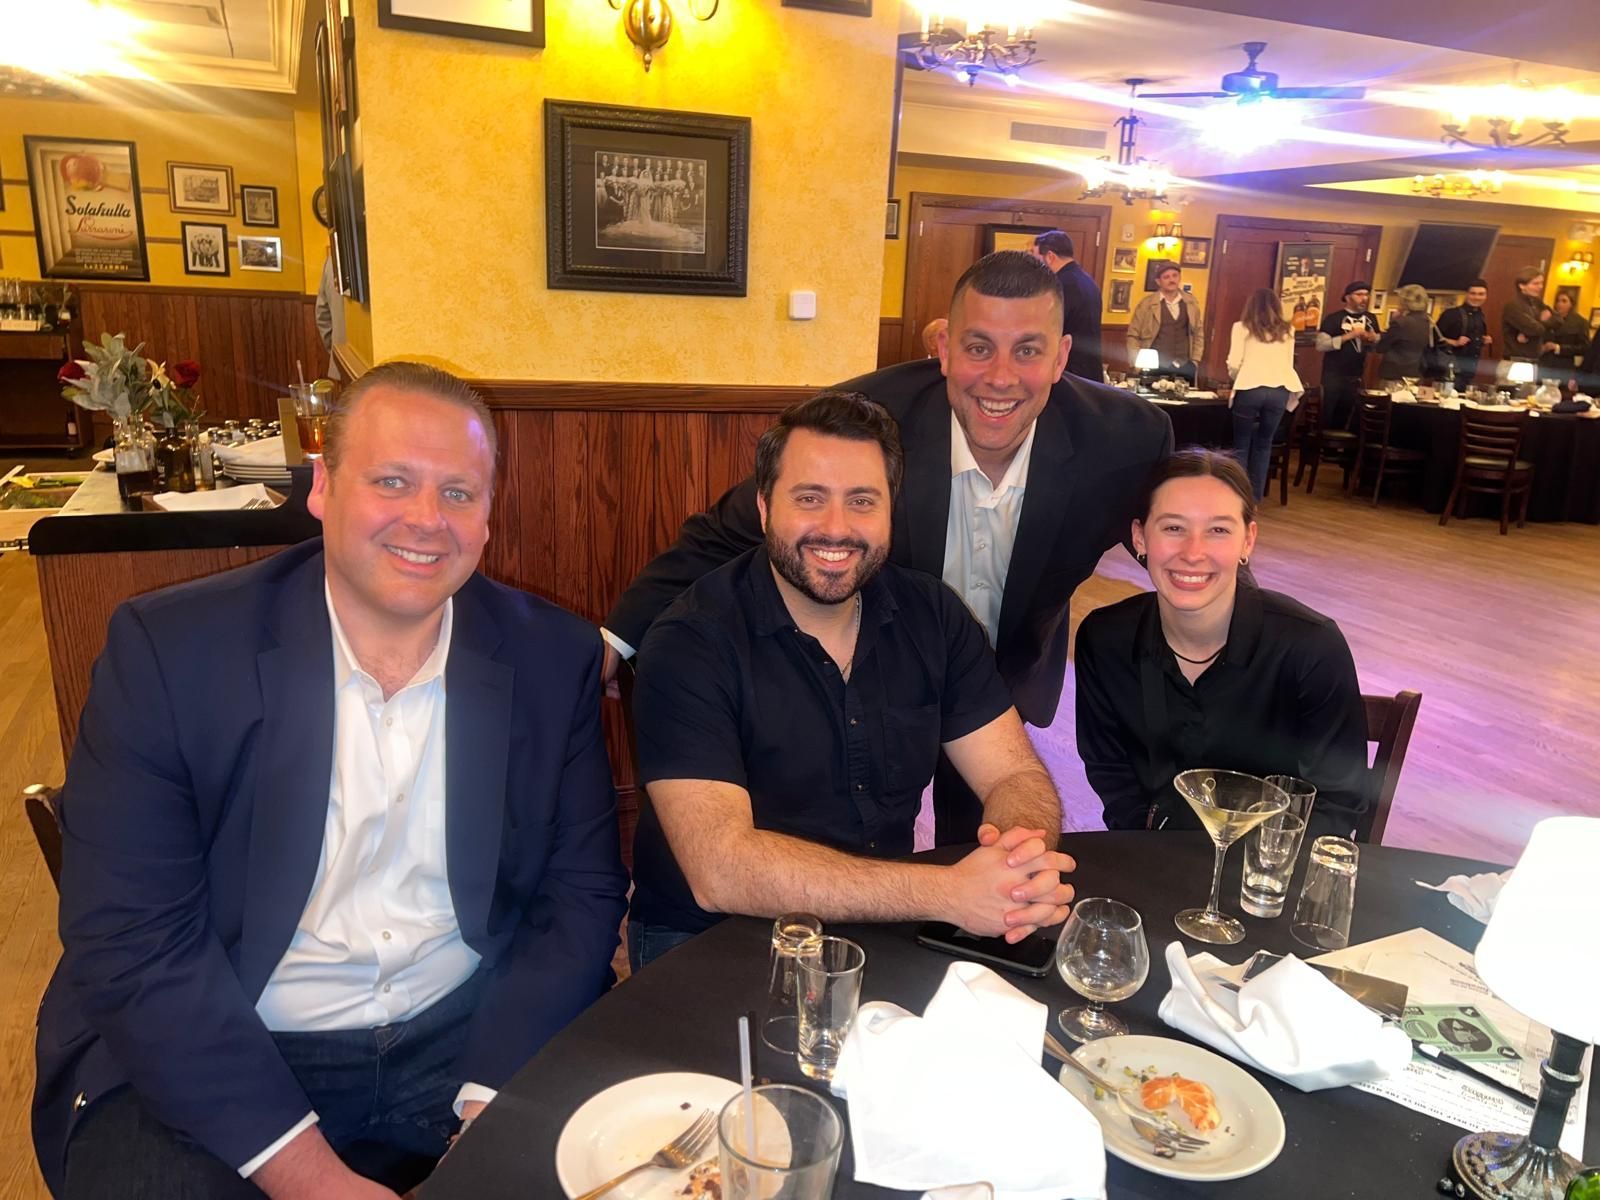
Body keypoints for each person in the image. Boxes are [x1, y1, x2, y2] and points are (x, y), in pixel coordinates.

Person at [34, 363, 629, 1199]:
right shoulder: (171, 654)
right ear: (324, 488)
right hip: (227, 1031)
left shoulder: (549, 657)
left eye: (459, 494)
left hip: (465, 1032)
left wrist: (493, 1104)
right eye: (392, 481)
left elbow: (581, 895)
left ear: (490, 514)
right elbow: (134, 943)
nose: (427, 520)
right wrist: (309, 1176)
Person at [602, 251, 1172, 846]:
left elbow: (1184, 543)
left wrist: (1255, 631)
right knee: (868, 817)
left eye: (1027, 350)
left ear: (1061, 357)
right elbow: (735, 528)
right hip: (892, 660)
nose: (1001, 377)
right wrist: (616, 638)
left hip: (1012, 663)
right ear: (945, 348)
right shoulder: (869, 423)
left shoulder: (1126, 438)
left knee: (987, 822)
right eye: (979, 347)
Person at [627, 391, 1076, 966]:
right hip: (712, 940)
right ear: (764, 509)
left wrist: (1018, 859)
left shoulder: (934, 616)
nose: (836, 529)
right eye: (810, 498)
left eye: (862, 501)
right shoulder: (689, 642)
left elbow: (1013, 771)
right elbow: (721, 871)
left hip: (878, 921)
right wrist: (948, 893)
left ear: (892, 509)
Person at [1074, 449, 1369, 840]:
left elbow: (1337, 800)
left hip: (1267, 879)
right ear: (1139, 537)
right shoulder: (1104, 640)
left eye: (1218, 530)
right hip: (1155, 860)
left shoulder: (1311, 646)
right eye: (1173, 528)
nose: (1193, 553)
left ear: (1248, 540)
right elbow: (1112, 774)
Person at [1226, 287, 1302, 501]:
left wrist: (1237, 377)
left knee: (1241, 443)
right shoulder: (1288, 330)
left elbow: (1233, 363)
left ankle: (1237, 497)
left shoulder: (1241, 327)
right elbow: (1288, 363)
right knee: (1264, 443)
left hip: (1250, 387)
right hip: (1279, 389)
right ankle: (1256, 498)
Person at [1031, 230, 1105, 381]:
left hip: (1070, 371)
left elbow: (1051, 328)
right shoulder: (1087, 281)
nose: (1034, 263)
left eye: (1036, 257)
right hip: (1089, 368)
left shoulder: (1060, 285)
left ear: (1050, 256)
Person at [1315, 281, 1381, 429]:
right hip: (1333, 374)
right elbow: (1321, 345)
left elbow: (1378, 343)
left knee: (1349, 413)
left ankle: (1341, 448)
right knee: (1328, 412)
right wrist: (1349, 336)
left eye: (1366, 295)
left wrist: (1372, 339)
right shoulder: (1333, 319)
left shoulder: (1371, 319)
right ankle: (1322, 446)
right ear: (1347, 297)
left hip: (1357, 374)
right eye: (1359, 295)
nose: (1364, 298)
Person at [1126, 261, 1205, 383]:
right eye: (1166, 277)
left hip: (1184, 365)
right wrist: (1136, 363)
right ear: (1158, 281)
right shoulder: (1146, 305)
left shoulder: (1191, 303)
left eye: (1175, 275)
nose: (1171, 280)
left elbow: (1198, 333)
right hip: (1154, 366)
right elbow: (1132, 335)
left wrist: (1195, 360)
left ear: (1179, 277)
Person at [1434, 279, 1491, 389]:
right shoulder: (1451, 314)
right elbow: (1434, 337)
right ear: (1466, 294)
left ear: (1486, 296)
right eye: (1473, 293)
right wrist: (1454, 342)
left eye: (1481, 294)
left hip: (1470, 370)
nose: (1477, 297)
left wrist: (1483, 339)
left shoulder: (1480, 315)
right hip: (1450, 369)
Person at [1375, 284, 1435, 382]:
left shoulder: (1400, 323)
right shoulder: (1428, 321)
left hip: (1394, 373)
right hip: (1416, 371)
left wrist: (1392, 322)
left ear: (1404, 302)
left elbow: (1381, 347)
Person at [1502, 268, 1554, 367]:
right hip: (1516, 359)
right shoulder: (1514, 305)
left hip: (1533, 359)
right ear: (1522, 286)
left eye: (1541, 283)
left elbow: (1558, 320)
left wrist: (1535, 327)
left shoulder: (1537, 303)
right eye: (1535, 283)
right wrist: (1541, 322)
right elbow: (1534, 329)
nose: (1540, 287)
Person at [1540, 291, 1589, 385]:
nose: (1559, 304)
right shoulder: (1549, 318)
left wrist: (1558, 348)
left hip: (1563, 367)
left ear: (1571, 304)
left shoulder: (1580, 322)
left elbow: (1585, 347)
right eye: (1557, 301)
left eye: (1564, 301)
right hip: (1544, 364)